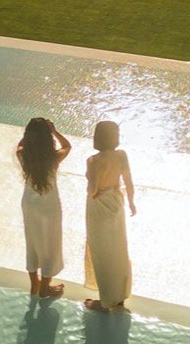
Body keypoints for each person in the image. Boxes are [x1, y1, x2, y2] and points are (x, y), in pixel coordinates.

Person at [17, 116, 72, 298]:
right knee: (50, 243)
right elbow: (67, 146)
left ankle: (35, 283)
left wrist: (28, 136)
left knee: (32, 242)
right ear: (47, 138)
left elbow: (20, 145)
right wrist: (54, 131)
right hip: (48, 206)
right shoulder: (53, 158)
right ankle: (45, 288)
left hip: (29, 204)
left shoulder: (23, 154)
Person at [84, 119, 136, 311]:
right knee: (118, 248)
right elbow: (128, 181)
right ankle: (120, 296)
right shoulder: (122, 155)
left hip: (99, 205)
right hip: (116, 201)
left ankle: (105, 300)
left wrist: (90, 184)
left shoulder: (93, 161)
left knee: (101, 251)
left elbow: (92, 189)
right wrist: (131, 202)